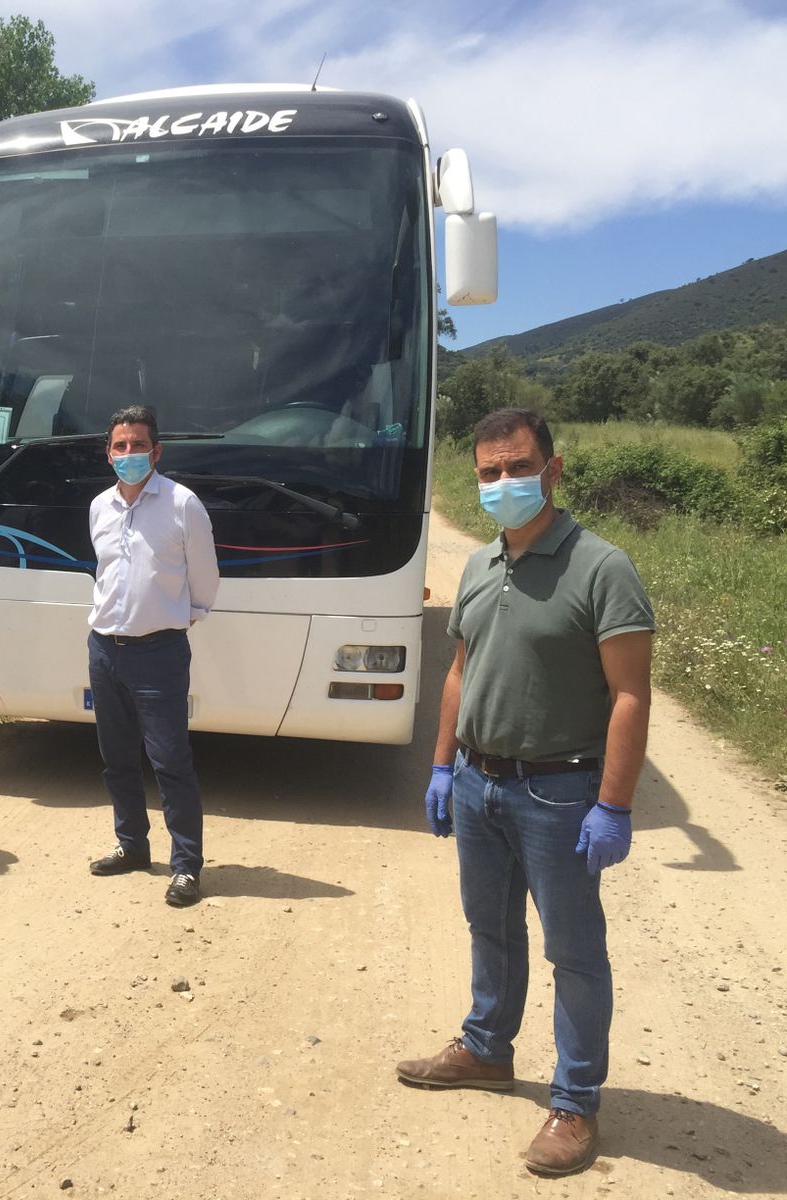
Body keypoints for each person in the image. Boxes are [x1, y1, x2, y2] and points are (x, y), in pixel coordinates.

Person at [396, 408, 654, 1177]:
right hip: (479, 783)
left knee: (574, 954)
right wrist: (442, 766)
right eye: (488, 472)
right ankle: (485, 1049)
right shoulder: (479, 566)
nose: (503, 482)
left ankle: (575, 1103)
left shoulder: (602, 568)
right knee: (490, 928)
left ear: (554, 468)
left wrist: (613, 804)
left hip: (559, 793)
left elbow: (631, 696)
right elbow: (458, 673)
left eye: (517, 466)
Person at [85, 404, 220, 907]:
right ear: (108, 453)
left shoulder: (183, 504)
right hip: (104, 649)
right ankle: (132, 845)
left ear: (156, 451)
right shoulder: (100, 507)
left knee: (170, 762)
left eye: (137, 445)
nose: (128, 454)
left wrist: (185, 617)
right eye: (119, 446)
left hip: (158, 653)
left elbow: (205, 577)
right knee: (116, 758)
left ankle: (186, 867)